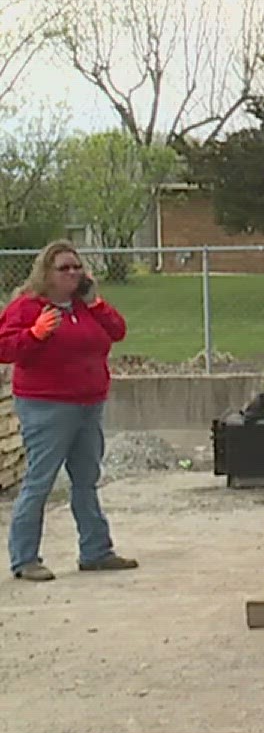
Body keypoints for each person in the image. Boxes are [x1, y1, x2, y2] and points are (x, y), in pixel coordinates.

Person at [0, 241, 137, 581]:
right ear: (46, 273)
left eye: (77, 267)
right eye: (64, 268)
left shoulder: (85, 306)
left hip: (89, 404)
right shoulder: (28, 307)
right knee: (40, 480)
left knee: (86, 480)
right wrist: (34, 335)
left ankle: (96, 551)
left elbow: (117, 331)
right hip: (46, 406)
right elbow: (4, 347)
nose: (73, 273)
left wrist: (96, 302)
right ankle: (25, 559)